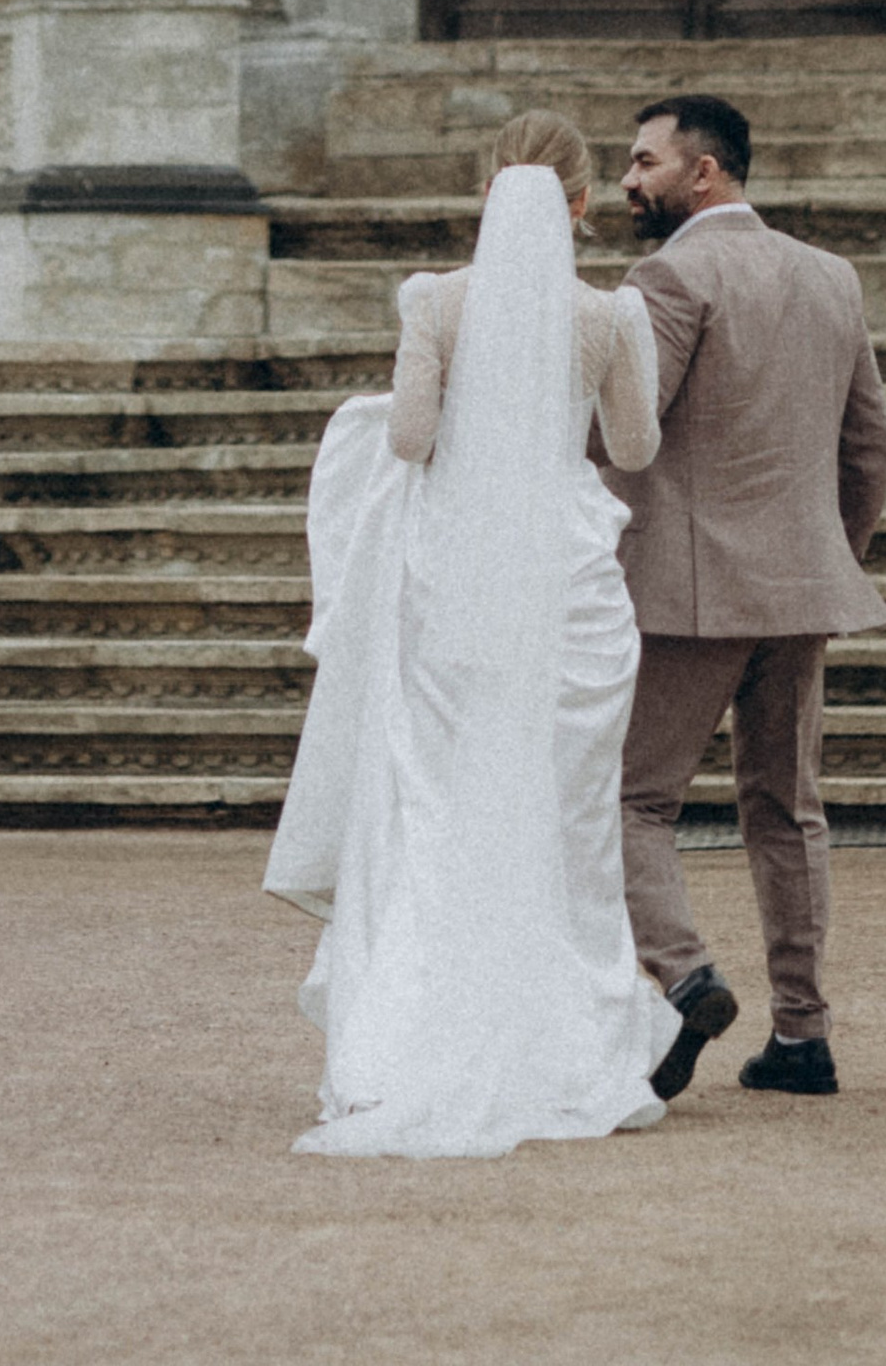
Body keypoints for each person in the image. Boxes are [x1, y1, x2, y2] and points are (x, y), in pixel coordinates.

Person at [264, 110, 678, 1156]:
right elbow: (632, 448)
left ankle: (407, 1036)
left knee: (436, 805)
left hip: (452, 575)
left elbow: (409, 437)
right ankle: (572, 1042)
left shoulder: (434, 301)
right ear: (579, 205)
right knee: (568, 816)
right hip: (569, 582)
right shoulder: (610, 316)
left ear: (489, 193)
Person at [610, 96, 886, 1102]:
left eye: (643, 161)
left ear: (704, 174)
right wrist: (824, 556)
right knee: (787, 810)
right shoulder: (832, 276)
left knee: (631, 801)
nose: (626, 181)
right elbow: (871, 449)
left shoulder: (668, 275)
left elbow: (626, 436)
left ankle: (686, 973)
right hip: (803, 586)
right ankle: (803, 1035)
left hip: (689, 592)